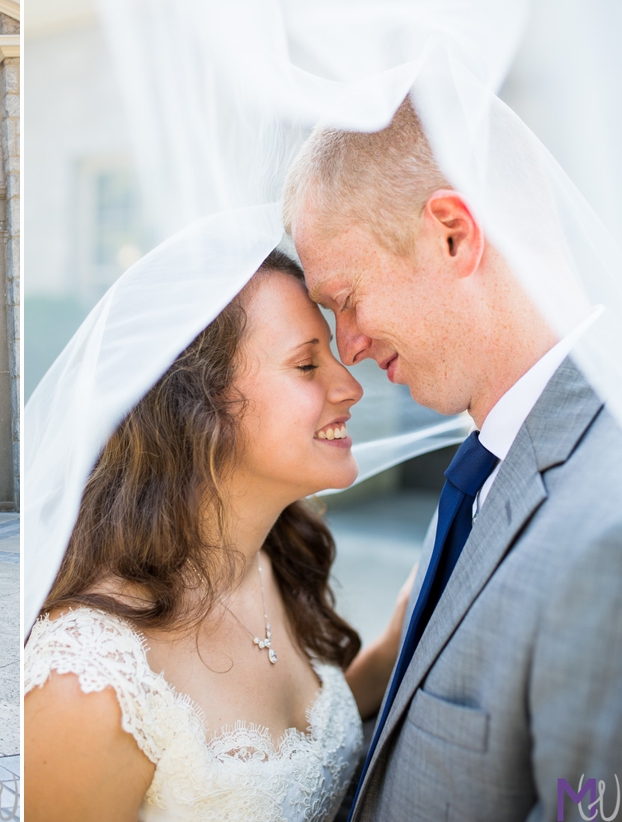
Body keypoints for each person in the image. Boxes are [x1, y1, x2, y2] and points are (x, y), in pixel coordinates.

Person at [287, 97, 622, 821]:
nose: (349, 349)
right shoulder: (489, 471)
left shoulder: (607, 530)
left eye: (345, 299)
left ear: (452, 235)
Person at [24, 250, 414, 821]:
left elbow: (292, 764)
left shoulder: (273, 560)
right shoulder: (88, 682)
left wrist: (388, 655)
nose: (350, 386)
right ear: (197, 409)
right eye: (307, 366)